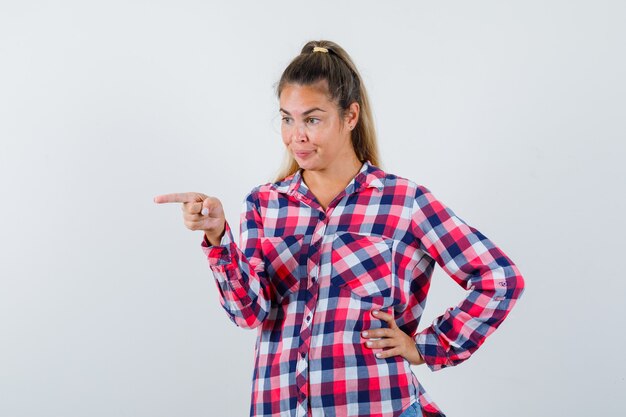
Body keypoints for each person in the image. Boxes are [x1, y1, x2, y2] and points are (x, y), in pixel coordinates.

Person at [154, 40, 525, 417]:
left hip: (378, 406)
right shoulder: (265, 204)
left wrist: (426, 347)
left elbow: (500, 278)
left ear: (350, 116)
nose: (296, 135)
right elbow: (249, 313)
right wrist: (219, 238)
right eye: (287, 118)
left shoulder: (402, 202)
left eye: (312, 119)